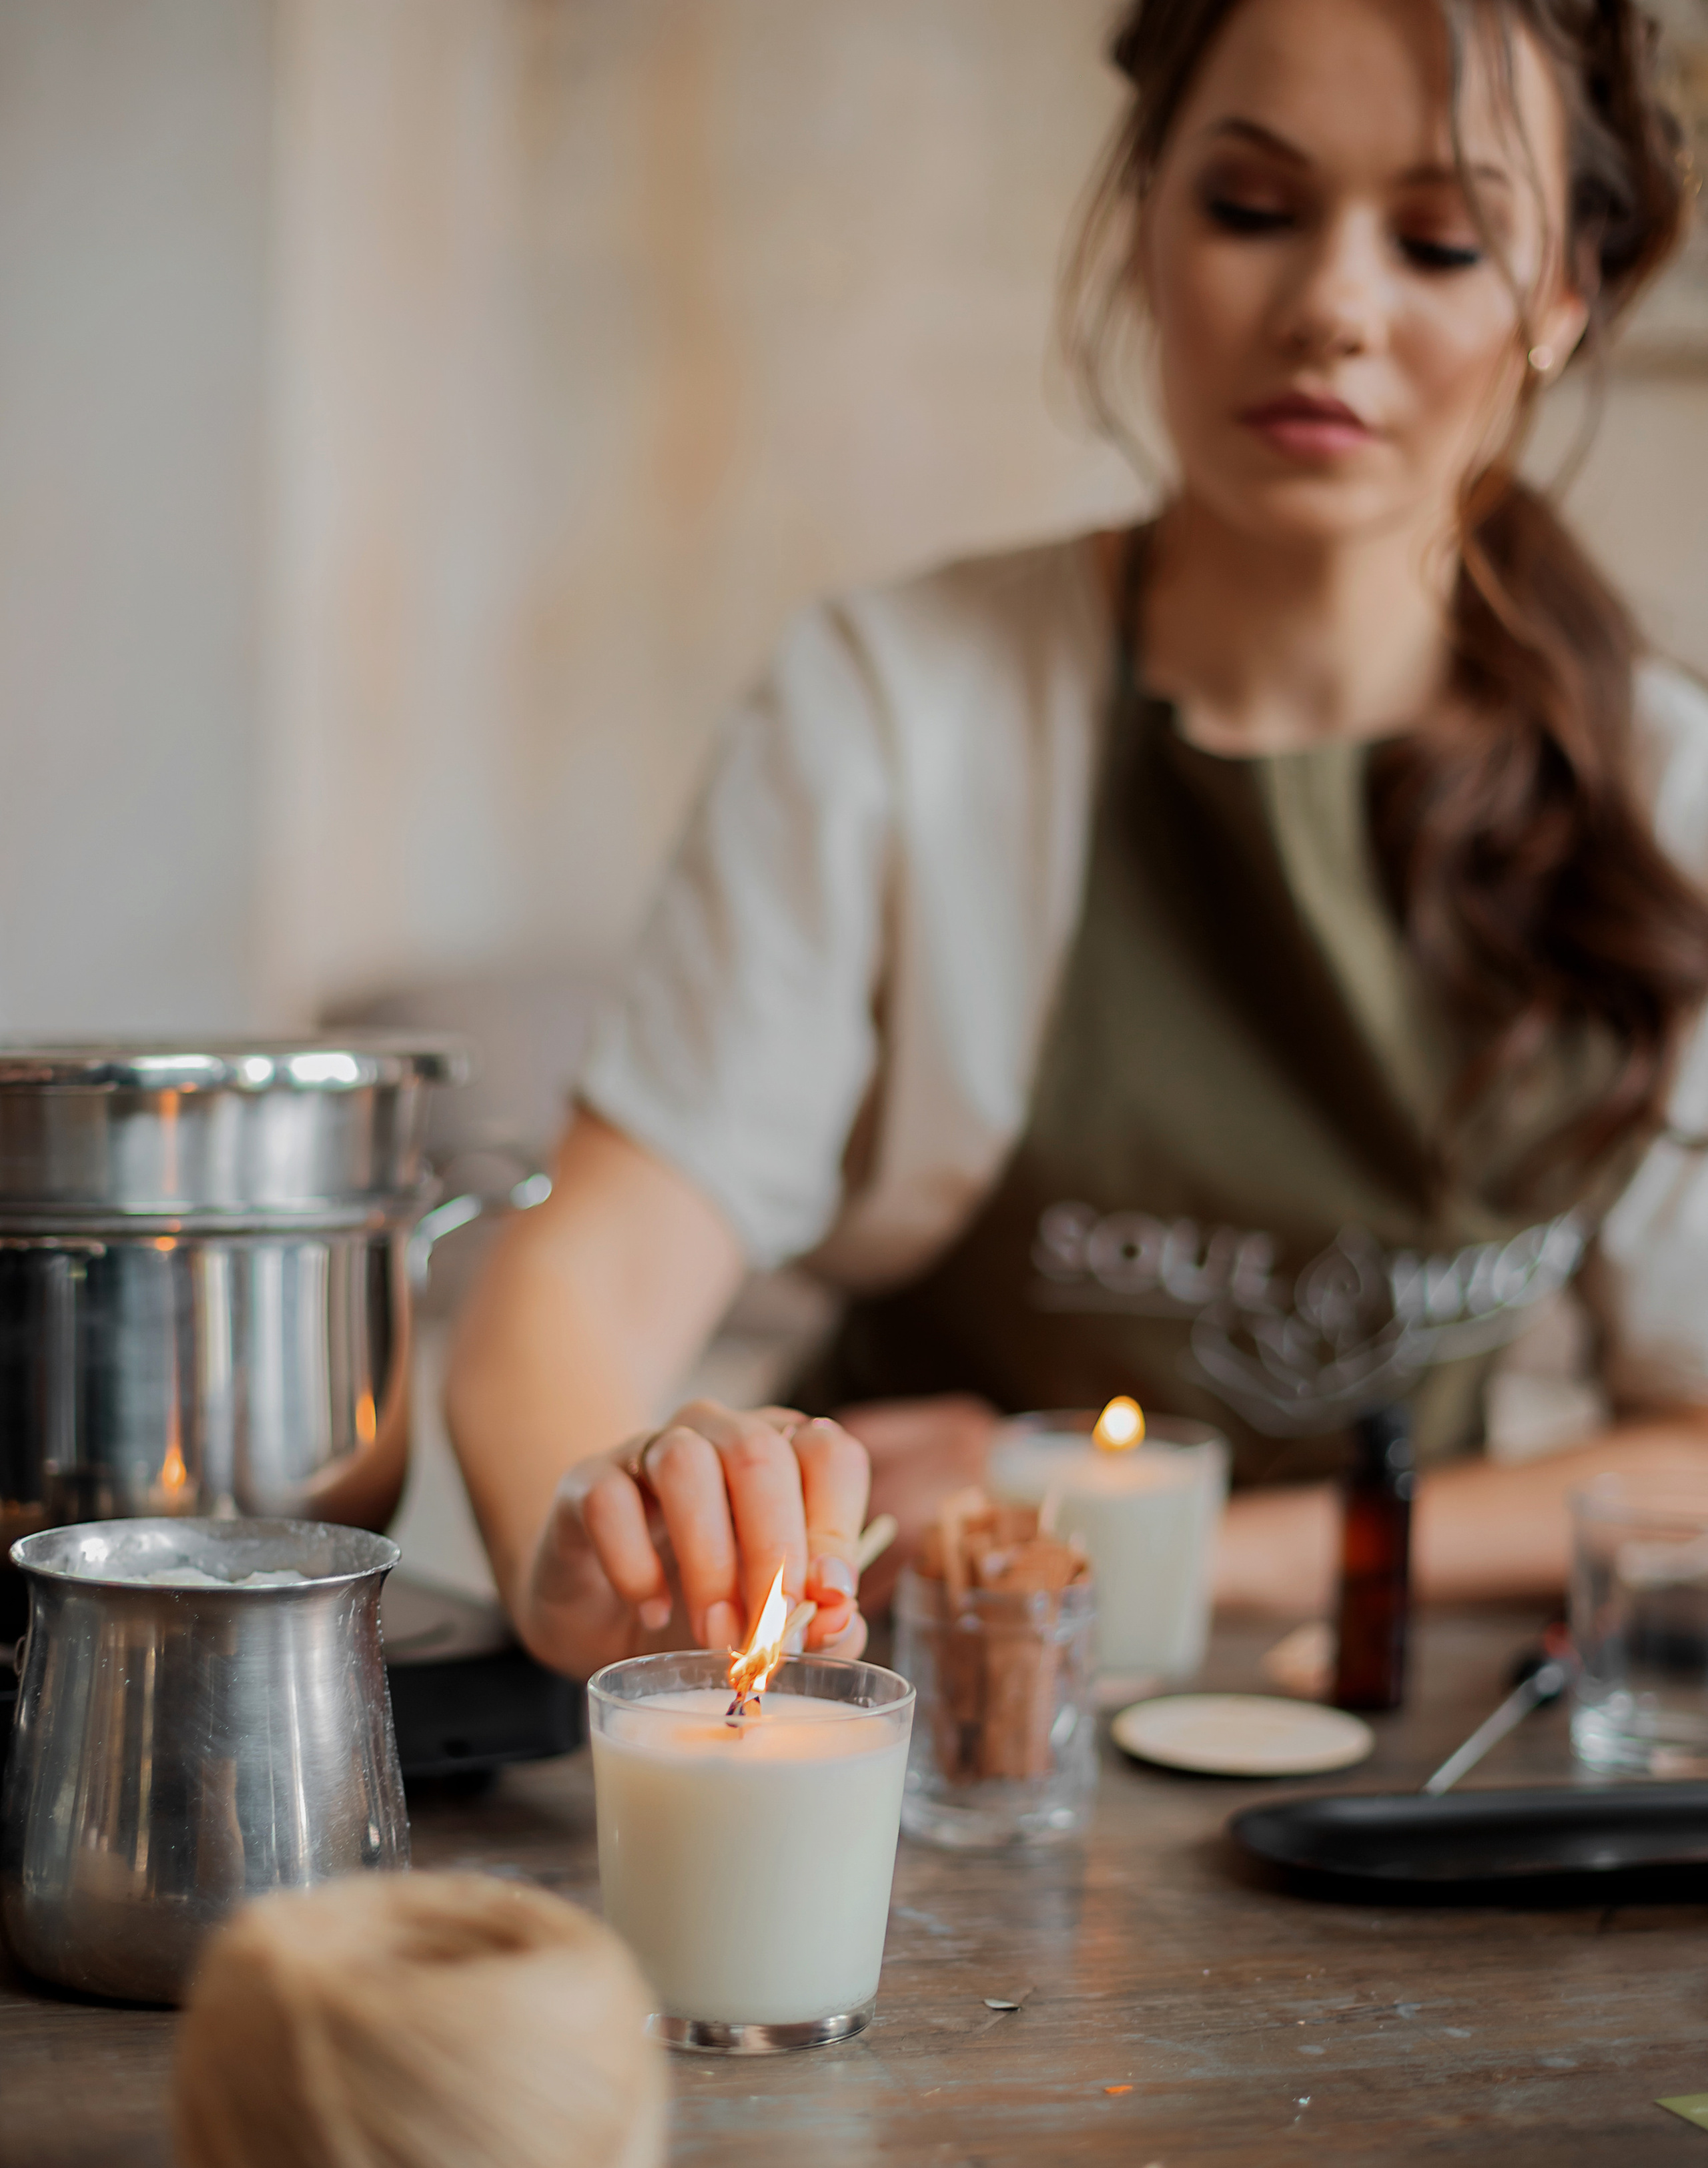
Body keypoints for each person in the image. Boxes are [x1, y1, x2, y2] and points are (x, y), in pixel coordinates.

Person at [448, 0, 1708, 1682]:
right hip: (905, 1695)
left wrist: (1151, 1542)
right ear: (1142, 220)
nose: (1332, 308)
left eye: (1440, 242)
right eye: (1250, 208)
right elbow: (578, 1286)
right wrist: (595, 1535)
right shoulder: (890, 708)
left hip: (1403, 1729)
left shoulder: (1665, 795)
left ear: (1562, 296)